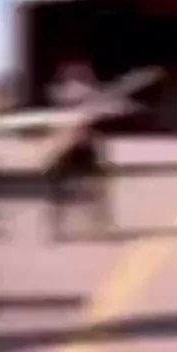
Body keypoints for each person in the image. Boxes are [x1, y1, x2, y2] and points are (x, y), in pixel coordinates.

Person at [44, 60, 112, 241]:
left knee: (93, 187)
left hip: (80, 147)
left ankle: (97, 224)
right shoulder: (66, 94)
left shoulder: (82, 95)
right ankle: (59, 228)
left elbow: (97, 114)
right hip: (68, 147)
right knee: (63, 190)